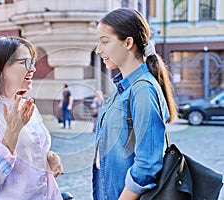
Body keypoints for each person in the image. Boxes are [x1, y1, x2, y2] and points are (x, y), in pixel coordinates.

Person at [0, 36, 64, 199]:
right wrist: (12, 133)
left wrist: (47, 156)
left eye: (33, 63)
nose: (33, 69)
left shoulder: (27, 106)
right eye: (24, 62)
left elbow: (28, 152)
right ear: (1, 67)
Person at [92, 8, 177, 200]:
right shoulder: (123, 87)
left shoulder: (143, 90)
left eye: (105, 41)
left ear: (128, 42)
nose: (99, 50)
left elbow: (147, 164)